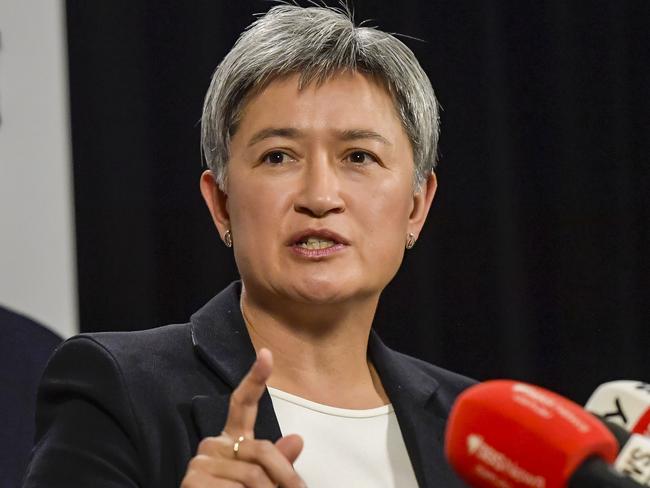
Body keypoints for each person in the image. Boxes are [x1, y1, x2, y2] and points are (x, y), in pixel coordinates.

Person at [24, 5, 474, 487]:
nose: (319, 197)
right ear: (221, 203)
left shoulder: (472, 431)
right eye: (278, 156)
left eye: (359, 156)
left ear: (416, 206)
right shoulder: (117, 388)